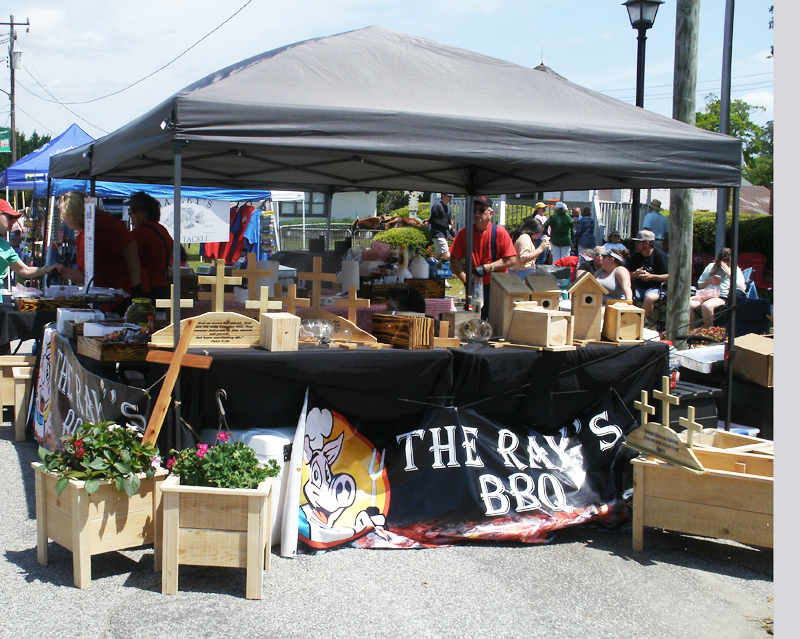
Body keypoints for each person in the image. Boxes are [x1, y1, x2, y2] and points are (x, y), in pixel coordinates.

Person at [55, 191, 147, 314]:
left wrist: (137, 288)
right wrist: (60, 272)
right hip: (107, 301)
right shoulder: (82, 235)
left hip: (125, 296)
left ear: (72, 214)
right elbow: (85, 275)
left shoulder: (104, 224)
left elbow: (130, 249)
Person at [449, 195, 517, 320]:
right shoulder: (465, 233)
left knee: (495, 322)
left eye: (481, 210)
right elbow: (453, 259)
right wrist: (465, 279)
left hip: (496, 288)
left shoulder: (500, 232)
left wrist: (488, 267)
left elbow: (512, 259)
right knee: (474, 321)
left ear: (490, 213)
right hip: (475, 287)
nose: (477, 213)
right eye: (474, 210)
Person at [0, 200, 60, 302]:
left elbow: (25, 270)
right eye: (10, 217)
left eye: (14, 218)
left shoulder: (6, 246)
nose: (13, 221)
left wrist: (47, 269)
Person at [125, 191, 174, 304]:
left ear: (145, 212)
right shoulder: (162, 230)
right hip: (163, 288)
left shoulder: (139, 233)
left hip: (145, 290)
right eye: (129, 212)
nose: (130, 215)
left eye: (133, 211)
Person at [690, 247, 746, 327]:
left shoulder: (735, 269)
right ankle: (690, 331)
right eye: (721, 263)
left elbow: (742, 288)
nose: (723, 265)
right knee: (687, 304)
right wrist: (710, 280)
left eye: (726, 263)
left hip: (722, 296)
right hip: (706, 294)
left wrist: (729, 275)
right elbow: (700, 285)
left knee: (707, 306)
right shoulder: (711, 266)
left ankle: (709, 332)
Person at [625, 230, 669, 320]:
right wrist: (634, 274)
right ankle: (626, 319)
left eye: (638, 242)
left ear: (647, 243)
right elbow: (624, 272)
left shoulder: (660, 256)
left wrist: (650, 277)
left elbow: (669, 276)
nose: (636, 244)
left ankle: (640, 321)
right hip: (638, 287)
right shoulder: (636, 255)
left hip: (656, 288)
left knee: (649, 298)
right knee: (625, 294)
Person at [428, 193, 455, 261]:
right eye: (449, 196)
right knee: (448, 257)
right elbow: (433, 220)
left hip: (443, 235)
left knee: (438, 257)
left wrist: (454, 235)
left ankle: (435, 267)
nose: (450, 198)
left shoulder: (448, 208)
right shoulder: (437, 206)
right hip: (437, 234)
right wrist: (446, 226)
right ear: (443, 195)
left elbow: (449, 223)